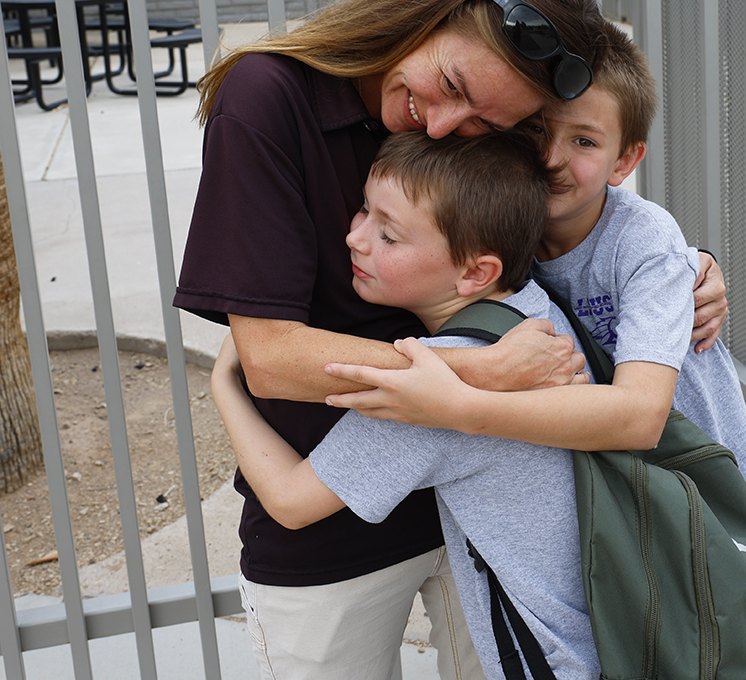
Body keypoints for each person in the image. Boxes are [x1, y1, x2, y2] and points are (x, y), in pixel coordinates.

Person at [174, 0, 727, 680]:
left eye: (482, 122)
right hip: (338, 512)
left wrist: (678, 268)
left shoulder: (492, 127)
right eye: (449, 82)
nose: (439, 126)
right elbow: (271, 359)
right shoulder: (270, 97)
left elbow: (555, 212)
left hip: (483, 521)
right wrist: (475, 373)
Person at [212, 130, 603, 679]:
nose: (355, 238)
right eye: (364, 210)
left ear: (475, 273)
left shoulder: (432, 397)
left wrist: (225, 385)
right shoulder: (536, 314)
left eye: (388, 236)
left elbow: (290, 502)